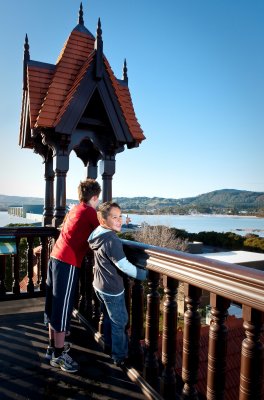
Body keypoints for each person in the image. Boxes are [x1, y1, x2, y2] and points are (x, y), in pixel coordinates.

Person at [44, 178, 101, 373]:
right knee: (62, 307)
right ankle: (59, 356)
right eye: (97, 200)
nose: (97, 203)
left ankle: (53, 348)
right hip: (67, 262)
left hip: (55, 257)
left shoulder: (75, 210)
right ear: (94, 197)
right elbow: (102, 233)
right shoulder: (89, 212)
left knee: (54, 304)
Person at [88, 201, 147, 368]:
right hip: (112, 289)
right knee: (119, 321)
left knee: (108, 316)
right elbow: (123, 265)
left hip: (99, 285)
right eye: (114, 217)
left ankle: (108, 344)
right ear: (104, 220)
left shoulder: (97, 235)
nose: (120, 220)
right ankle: (119, 356)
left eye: (120, 216)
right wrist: (142, 274)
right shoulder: (112, 240)